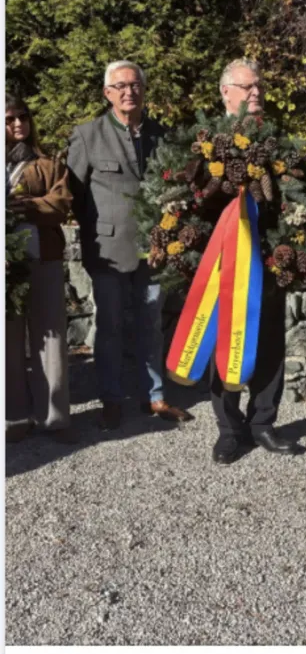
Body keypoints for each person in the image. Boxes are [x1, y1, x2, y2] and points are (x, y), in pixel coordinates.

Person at [67, 61, 192, 429]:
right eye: (120, 86)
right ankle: (110, 398)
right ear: (107, 93)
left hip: (154, 249)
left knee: (151, 324)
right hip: (108, 251)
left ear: (144, 90)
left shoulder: (161, 135)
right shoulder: (88, 135)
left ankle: (154, 396)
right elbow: (74, 193)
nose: (128, 92)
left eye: (135, 85)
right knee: (110, 327)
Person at [209, 58, 304, 464]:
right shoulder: (206, 143)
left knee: (269, 346)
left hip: (269, 260)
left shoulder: (277, 144)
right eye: (248, 87)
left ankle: (263, 422)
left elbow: (298, 197)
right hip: (225, 265)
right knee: (225, 347)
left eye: (259, 87)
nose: (256, 93)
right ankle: (230, 430)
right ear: (226, 92)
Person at [5, 96, 77, 444]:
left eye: (23, 117)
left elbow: (62, 202)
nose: (18, 124)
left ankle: (55, 418)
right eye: (9, 119)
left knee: (51, 336)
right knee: (9, 340)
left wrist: (27, 206)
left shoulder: (47, 164)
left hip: (44, 258)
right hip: (7, 266)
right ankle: (14, 417)